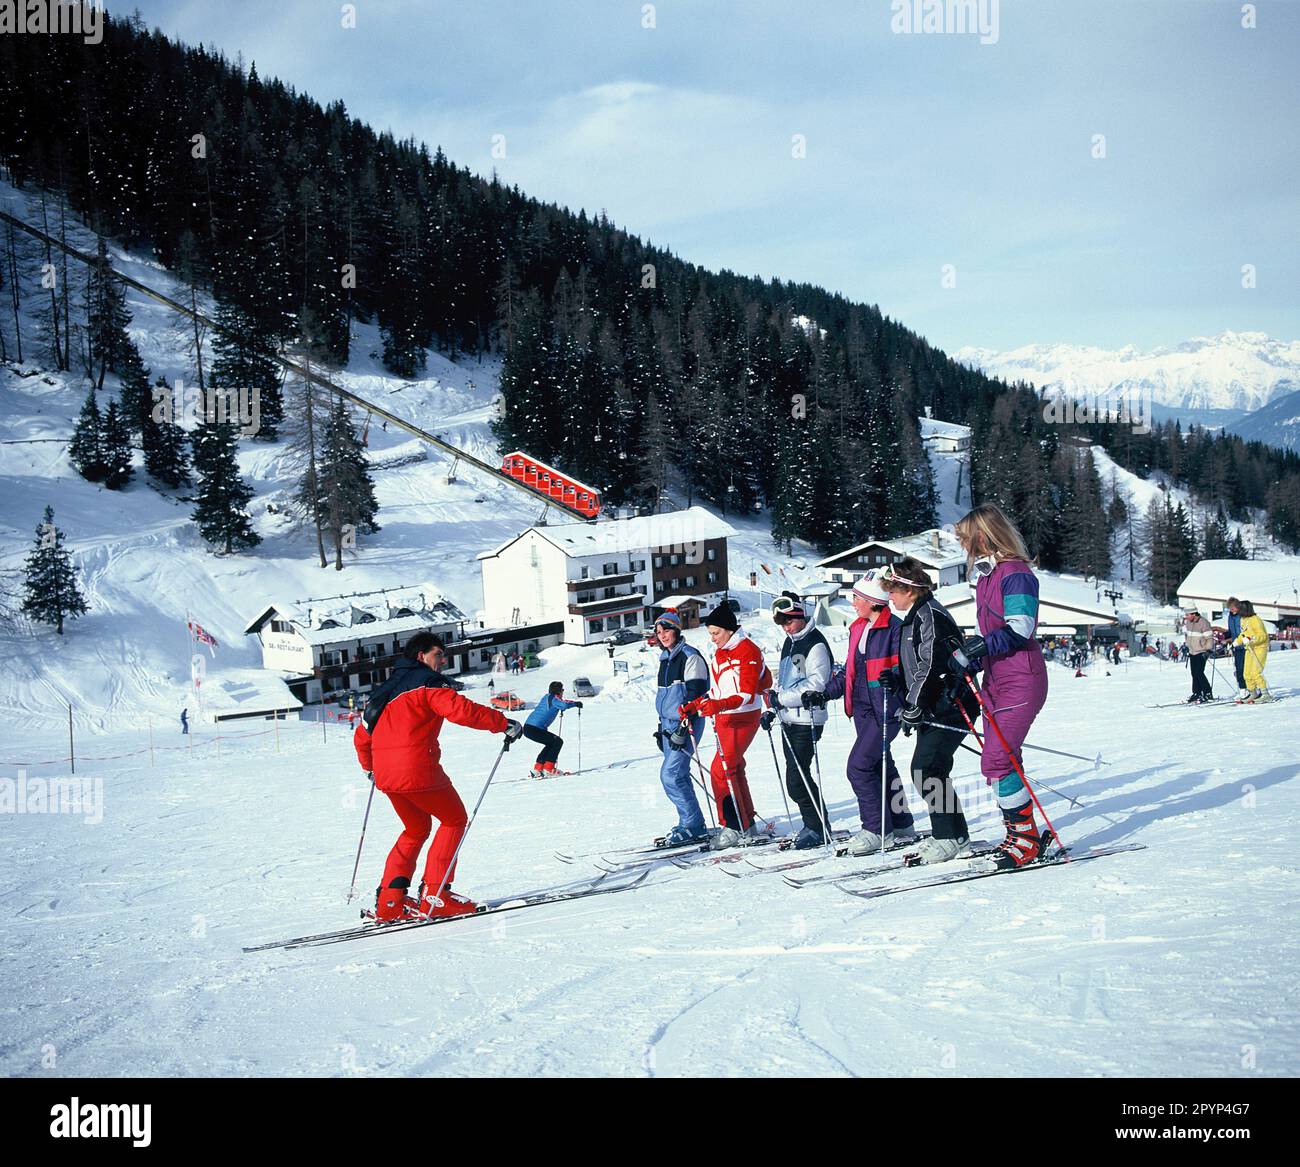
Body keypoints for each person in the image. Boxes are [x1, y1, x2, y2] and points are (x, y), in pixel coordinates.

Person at [353, 632, 522, 921]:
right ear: (421, 656)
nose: (443, 660)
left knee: (415, 829)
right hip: (416, 769)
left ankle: (391, 902)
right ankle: (437, 895)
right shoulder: (428, 683)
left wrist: (370, 768)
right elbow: (460, 710)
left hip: (386, 776)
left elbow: (361, 737)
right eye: (438, 654)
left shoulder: (383, 691)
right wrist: (502, 723)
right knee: (454, 819)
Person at [953, 504, 1050, 869]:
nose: (963, 546)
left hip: (1021, 678)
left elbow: (1019, 628)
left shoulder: (1016, 574)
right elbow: (986, 634)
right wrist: (969, 661)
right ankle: (1020, 833)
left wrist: (978, 648)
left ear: (982, 536)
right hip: (997, 677)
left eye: (965, 538)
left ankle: (1025, 841)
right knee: (1003, 759)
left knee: (995, 760)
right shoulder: (986, 577)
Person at [880, 557, 977, 864]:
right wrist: (898, 681)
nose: (889, 597)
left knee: (927, 770)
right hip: (935, 705)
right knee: (930, 770)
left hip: (952, 703)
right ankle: (955, 836)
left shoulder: (929, 615)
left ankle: (948, 836)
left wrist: (913, 704)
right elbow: (917, 668)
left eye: (892, 591)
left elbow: (932, 665)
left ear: (909, 589)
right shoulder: (915, 616)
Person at [818, 570, 916, 854]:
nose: (852, 602)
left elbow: (909, 670)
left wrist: (896, 681)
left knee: (859, 767)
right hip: (861, 709)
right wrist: (825, 692)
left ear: (873, 601)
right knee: (881, 764)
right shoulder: (858, 628)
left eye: (856, 597)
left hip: (886, 708)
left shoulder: (895, 629)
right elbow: (852, 672)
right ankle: (901, 822)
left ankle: (877, 830)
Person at [680, 602, 772, 848]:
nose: (712, 639)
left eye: (716, 633)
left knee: (721, 770)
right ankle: (746, 821)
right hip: (724, 718)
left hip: (743, 717)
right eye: (710, 634)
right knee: (733, 768)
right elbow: (719, 690)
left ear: (730, 629)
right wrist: (697, 704)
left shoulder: (747, 650)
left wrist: (718, 706)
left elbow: (747, 695)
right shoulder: (721, 653)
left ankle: (732, 825)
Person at [762, 591, 835, 849]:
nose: (785, 628)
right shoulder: (791, 642)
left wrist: (780, 700)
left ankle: (817, 827)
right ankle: (815, 824)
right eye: (781, 624)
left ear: (801, 616)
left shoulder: (814, 643)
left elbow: (816, 684)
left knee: (797, 779)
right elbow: (787, 682)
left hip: (808, 720)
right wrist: (772, 707)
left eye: (789, 622)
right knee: (797, 777)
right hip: (789, 720)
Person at [652, 610, 710, 846]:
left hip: (686, 724)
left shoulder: (690, 657)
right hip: (669, 726)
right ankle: (691, 822)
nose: (662, 635)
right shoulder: (666, 659)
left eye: (666, 630)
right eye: (658, 632)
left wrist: (684, 728)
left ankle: (693, 824)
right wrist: (661, 727)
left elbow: (696, 696)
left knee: (670, 775)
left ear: (676, 629)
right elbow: (666, 698)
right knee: (680, 774)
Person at [523, 681, 582, 775]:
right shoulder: (554, 698)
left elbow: (560, 704)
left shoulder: (547, 697)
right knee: (558, 741)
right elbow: (564, 704)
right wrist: (575, 703)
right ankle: (549, 769)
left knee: (551, 743)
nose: (563, 692)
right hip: (534, 728)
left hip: (528, 728)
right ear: (559, 691)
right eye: (562, 690)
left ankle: (538, 769)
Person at [1232, 600, 1272, 703]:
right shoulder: (1243, 619)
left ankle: (1265, 693)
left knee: (1255, 672)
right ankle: (1252, 693)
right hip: (1249, 648)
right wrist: (1237, 641)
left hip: (1260, 648)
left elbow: (1262, 636)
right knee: (1246, 673)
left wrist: (1251, 639)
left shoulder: (1256, 620)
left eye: (1239, 608)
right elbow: (1244, 634)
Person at [1182, 607, 1215, 703]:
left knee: (1199, 672)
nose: (1186, 617)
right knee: (1194, 673)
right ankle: (1197, 693)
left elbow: (1209, 637)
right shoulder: (1188, 623)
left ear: (1193, 614)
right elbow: (1188, 636)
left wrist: (1208, 650)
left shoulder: (1204, 623)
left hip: (1202, 651)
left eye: (1187, 615)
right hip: (1192, 651)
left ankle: (1207, 693)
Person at [1223, 597, 1248, 701]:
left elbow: (1244, 630)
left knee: (1246, 670)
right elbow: (1231, 630)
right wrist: (1225, 637)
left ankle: (1252, 689)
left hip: (1245, 645)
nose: (1231, 610)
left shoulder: (1242, 616)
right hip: (1236, 646)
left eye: (1233, 608)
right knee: (1238, 670)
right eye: (1230, 608)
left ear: (1238, 606)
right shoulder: (1230, 616)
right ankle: (1243, 690)